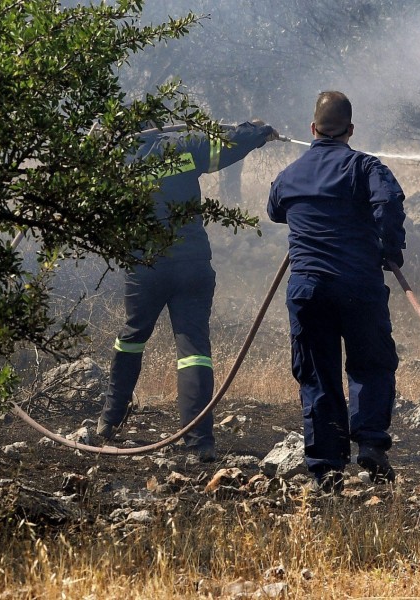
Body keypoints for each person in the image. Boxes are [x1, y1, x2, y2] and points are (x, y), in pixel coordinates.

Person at [96, 120, 278, 462]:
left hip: (144, 267)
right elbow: (227, 145)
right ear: (156, 127)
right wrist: (256, 131)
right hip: (191, 263)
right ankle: (199, 442)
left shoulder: (117, 159)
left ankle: (109, 421)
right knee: (193, 348)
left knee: (132, 337)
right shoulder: (183, 144)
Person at [267, 91, 406, 493]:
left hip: (308, 290)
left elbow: (275, 209)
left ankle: (327, 468)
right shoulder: (364, 167)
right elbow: (390, 202)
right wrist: (390, 248)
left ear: (312, 129)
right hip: (358, 287)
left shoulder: (290, 174)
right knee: (371, 364)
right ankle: (370, 444)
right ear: (350, 130)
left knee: (318, 374)